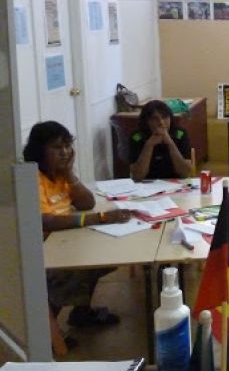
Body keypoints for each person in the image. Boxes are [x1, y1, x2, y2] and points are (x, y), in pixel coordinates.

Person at [23, 121, 132, 329]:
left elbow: (86, 203)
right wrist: (99, 218)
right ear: (39, 150)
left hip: (64, 242)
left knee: (108, 255)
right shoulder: (33, 178)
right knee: (86, 264)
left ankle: (81, 312)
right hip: (41, 253)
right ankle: (48, 332)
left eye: (67, 145)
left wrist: (70, 173)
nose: (64, 152)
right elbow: (44, 220)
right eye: (56, 147)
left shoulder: (59, 173)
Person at [128, 100, 193, 180]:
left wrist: (170, 143)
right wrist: (149, 145)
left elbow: (185, 173)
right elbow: (137, 176)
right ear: (146, 121)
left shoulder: (180, 134)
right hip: (147, 186)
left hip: (175, 184)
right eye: (155, 119)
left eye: (165, 117)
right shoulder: (137, 137)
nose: (161, 122)